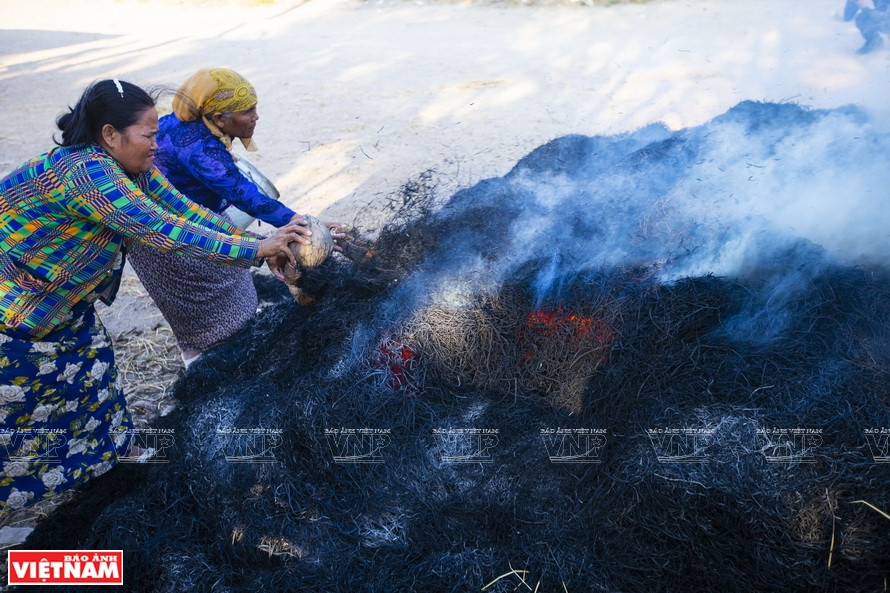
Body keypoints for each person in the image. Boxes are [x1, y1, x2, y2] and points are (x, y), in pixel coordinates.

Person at [0, 79, 310, 512]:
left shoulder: (132, 166)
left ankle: (120, 464)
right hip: (16, 309)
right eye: (149, 134)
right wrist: (255, 249)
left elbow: (184, 211)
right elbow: (163, 231)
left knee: (96, 383)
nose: (156, 143)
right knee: (22, 414)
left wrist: (262, 242)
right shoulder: (87, 174)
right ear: (110, 134)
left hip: (67, 308)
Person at [127, 68, 343, 367]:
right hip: (171, 240)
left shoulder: (186, 124)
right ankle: (201, 371)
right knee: (204, 318)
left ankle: (224, 358)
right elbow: (246, 195)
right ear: (218, 118)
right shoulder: (199, 148)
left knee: (233, 296)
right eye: (248, 111)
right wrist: (303, 225)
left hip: (196, 221)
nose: (256, 117)